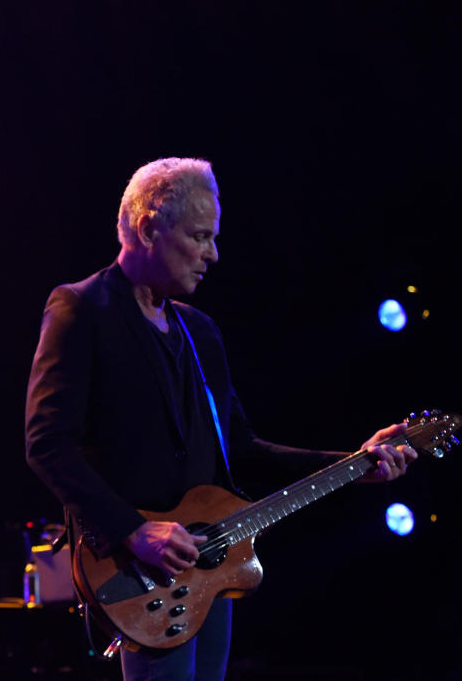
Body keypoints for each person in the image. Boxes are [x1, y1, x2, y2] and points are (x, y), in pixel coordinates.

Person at [23, 157, 415, 681]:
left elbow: (243, 448)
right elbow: (46, 443)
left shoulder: (200, 330)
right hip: (136, 571)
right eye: (200, 236)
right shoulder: (81, 308)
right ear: (147, 227)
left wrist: (353, 464)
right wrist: (134, 531)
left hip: (207, 569)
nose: (213, 254)